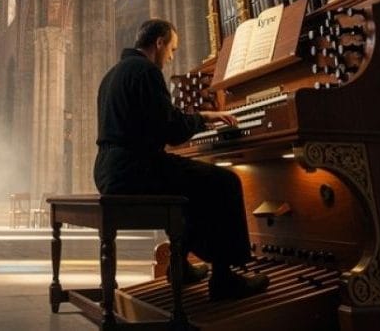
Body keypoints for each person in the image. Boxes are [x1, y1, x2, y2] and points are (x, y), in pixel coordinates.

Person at [93, 19, 269, 301]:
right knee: (223, 181)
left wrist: (196, 119)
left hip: (108, 170)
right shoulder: (146, 71)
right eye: (172, 49)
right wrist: (202, 118)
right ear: (159, 43)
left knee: (189, 185)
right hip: (135, 169)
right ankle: (224, 280)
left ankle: (180, 266)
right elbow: (172, 130)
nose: (172, 57)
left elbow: (153, 121)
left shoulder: (112, 75)